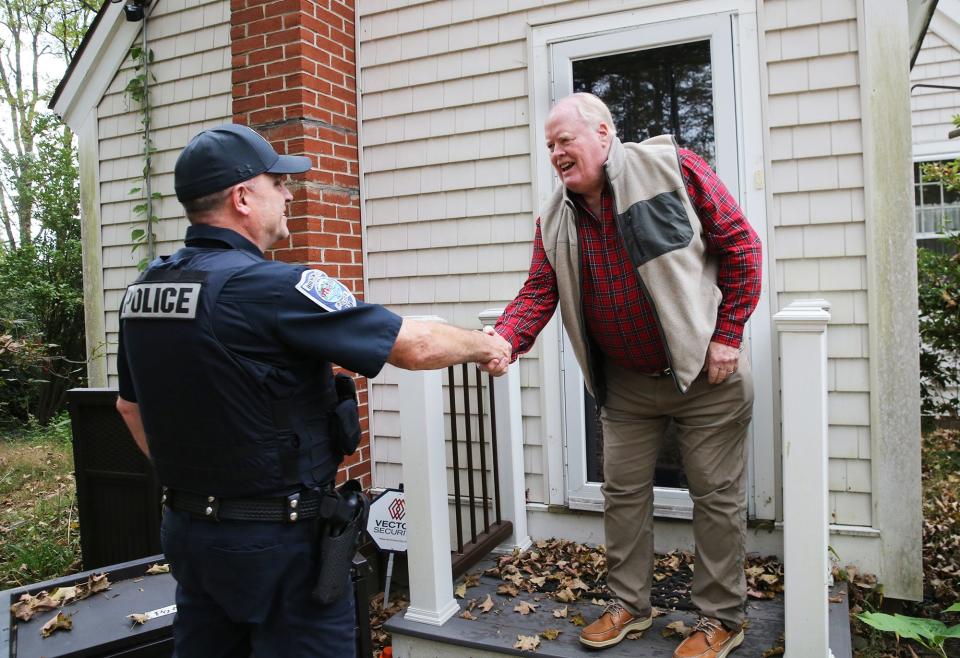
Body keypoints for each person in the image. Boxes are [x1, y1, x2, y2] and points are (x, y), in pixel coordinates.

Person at [115, 123, 512, 658]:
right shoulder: (273, 288)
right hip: (279, 547)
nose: (288, 193)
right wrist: (485, 344)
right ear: (242, 198)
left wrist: (203, 486)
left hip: (189, 535)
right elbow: (412, 345)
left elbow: (129, 407)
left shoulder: (146, 291)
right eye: (277, 182)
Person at [489, 93, 762, 658]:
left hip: (704, 374)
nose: (557, 153)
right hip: (627, 384)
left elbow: (742, 247)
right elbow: (540, 290)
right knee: (624, 494)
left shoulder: (674, 168)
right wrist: (505, 340)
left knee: (715, 498)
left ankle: (719, 619)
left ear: (605, 133)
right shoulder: (555, 215)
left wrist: (729, 335)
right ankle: (629, 605)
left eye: (565, 140)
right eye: (549, 146)